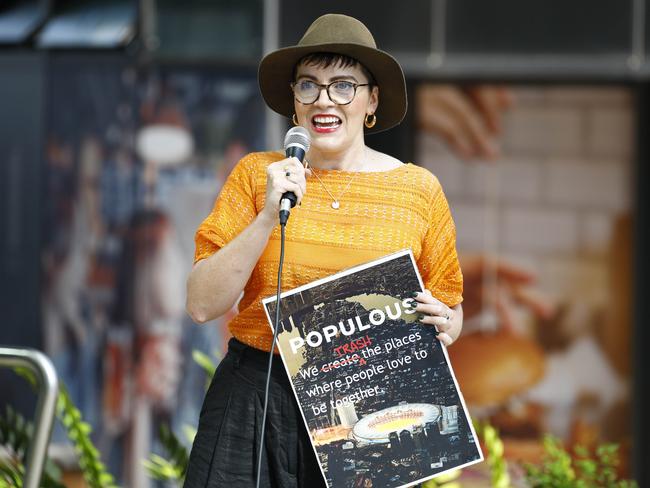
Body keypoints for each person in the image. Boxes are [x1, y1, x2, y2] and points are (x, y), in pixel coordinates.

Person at [183, 13, 464, 487]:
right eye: (308, 85)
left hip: (367, 404)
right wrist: (268, 215)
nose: (324, 99)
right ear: (294, 103)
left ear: (372, 99)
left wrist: (445, 322)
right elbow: (201, 303)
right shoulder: (258, 176)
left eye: (343, 85)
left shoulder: (418, 190)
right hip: (255, 398)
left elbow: (451, 311)